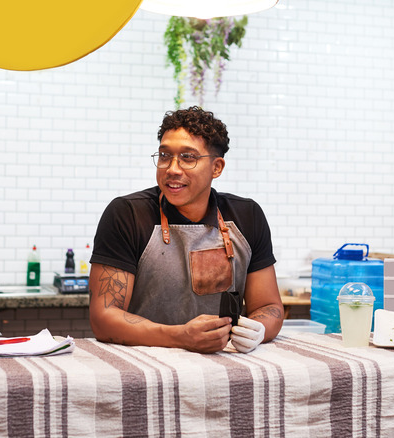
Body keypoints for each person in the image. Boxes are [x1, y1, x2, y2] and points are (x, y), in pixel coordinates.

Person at [88, 106, 283, 354]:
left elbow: (270, 307)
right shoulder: (127, 214)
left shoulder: (247, 216)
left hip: (226, 366)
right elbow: (103, 319)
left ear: (217, 167)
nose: (172, 169)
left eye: (188, 157)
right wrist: (180, 337)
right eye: (164, 155)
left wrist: (258, 329)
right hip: (146, 367)